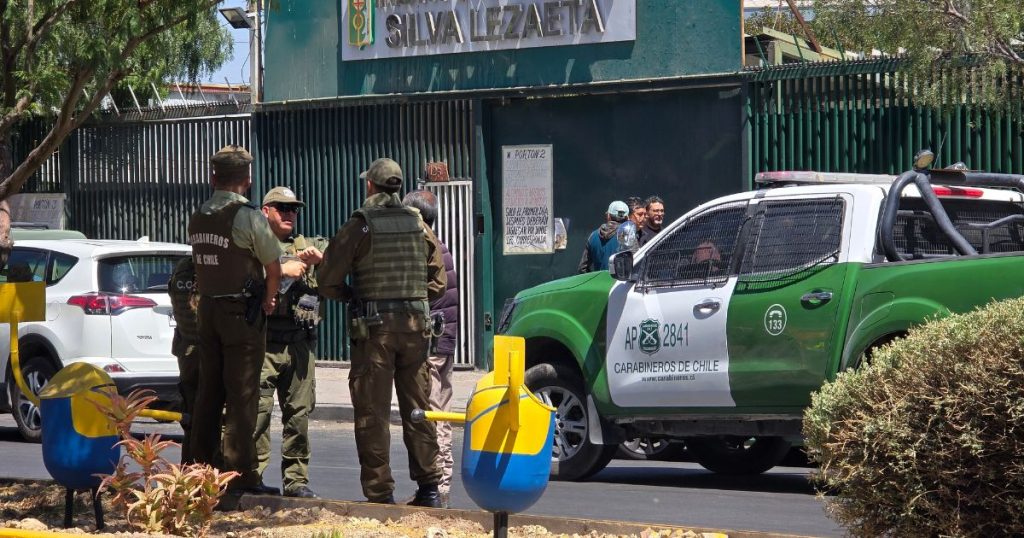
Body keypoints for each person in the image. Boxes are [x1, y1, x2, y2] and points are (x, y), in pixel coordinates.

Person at [318, 158, 446, 507]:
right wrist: (413, 300)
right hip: (416, 330)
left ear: (370, 186)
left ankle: (380, 494)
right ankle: (430, 490)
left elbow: (326, 278)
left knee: (373, 413)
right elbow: (438, 281)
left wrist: (351, 296)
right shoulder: (418, 224)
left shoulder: (361, 224)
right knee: (417, 410)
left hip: (375, 332)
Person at [187, 145, 283, 506]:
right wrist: (270, 299)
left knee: (208, 393)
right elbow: (273, 266)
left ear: (213, 177)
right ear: (248, 179)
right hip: (241, 316)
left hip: (208, 311)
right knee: (242, 396)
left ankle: (198, 470)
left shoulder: (198, 215)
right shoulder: (247, 216)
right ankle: (241, 475)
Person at [254, 186, 329, 499]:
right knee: (256, 414)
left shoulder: (308, 245)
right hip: (263, 343)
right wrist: (280, 269)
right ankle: (251, 476)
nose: (289, 214)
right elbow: (235, 276)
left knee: (298, 415)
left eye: (293, 209)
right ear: (265, 211)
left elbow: (339, 270)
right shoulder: (253, 248)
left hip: (298, 345)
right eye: (282, 208)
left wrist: (321, 261)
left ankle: (296, 480)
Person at [402, 189, 459, 509]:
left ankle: (439, 487)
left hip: (433, 342)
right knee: (439, 410)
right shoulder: (440, 246)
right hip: (443, 339)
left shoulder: (427, 250)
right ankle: (440, 486)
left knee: (434, 413)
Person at [167, 257, 200, 464]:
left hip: (188, 351)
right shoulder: (206, 269)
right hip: (202, 352)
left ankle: (190, 473)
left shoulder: (183, 268)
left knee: (191, 417)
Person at [577, 200, 629, 273]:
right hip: (621, 284)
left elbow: (582, 269)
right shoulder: (629, 236)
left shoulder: (593, 236)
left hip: (600, 283)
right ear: (627, 218)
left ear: (608, 216)